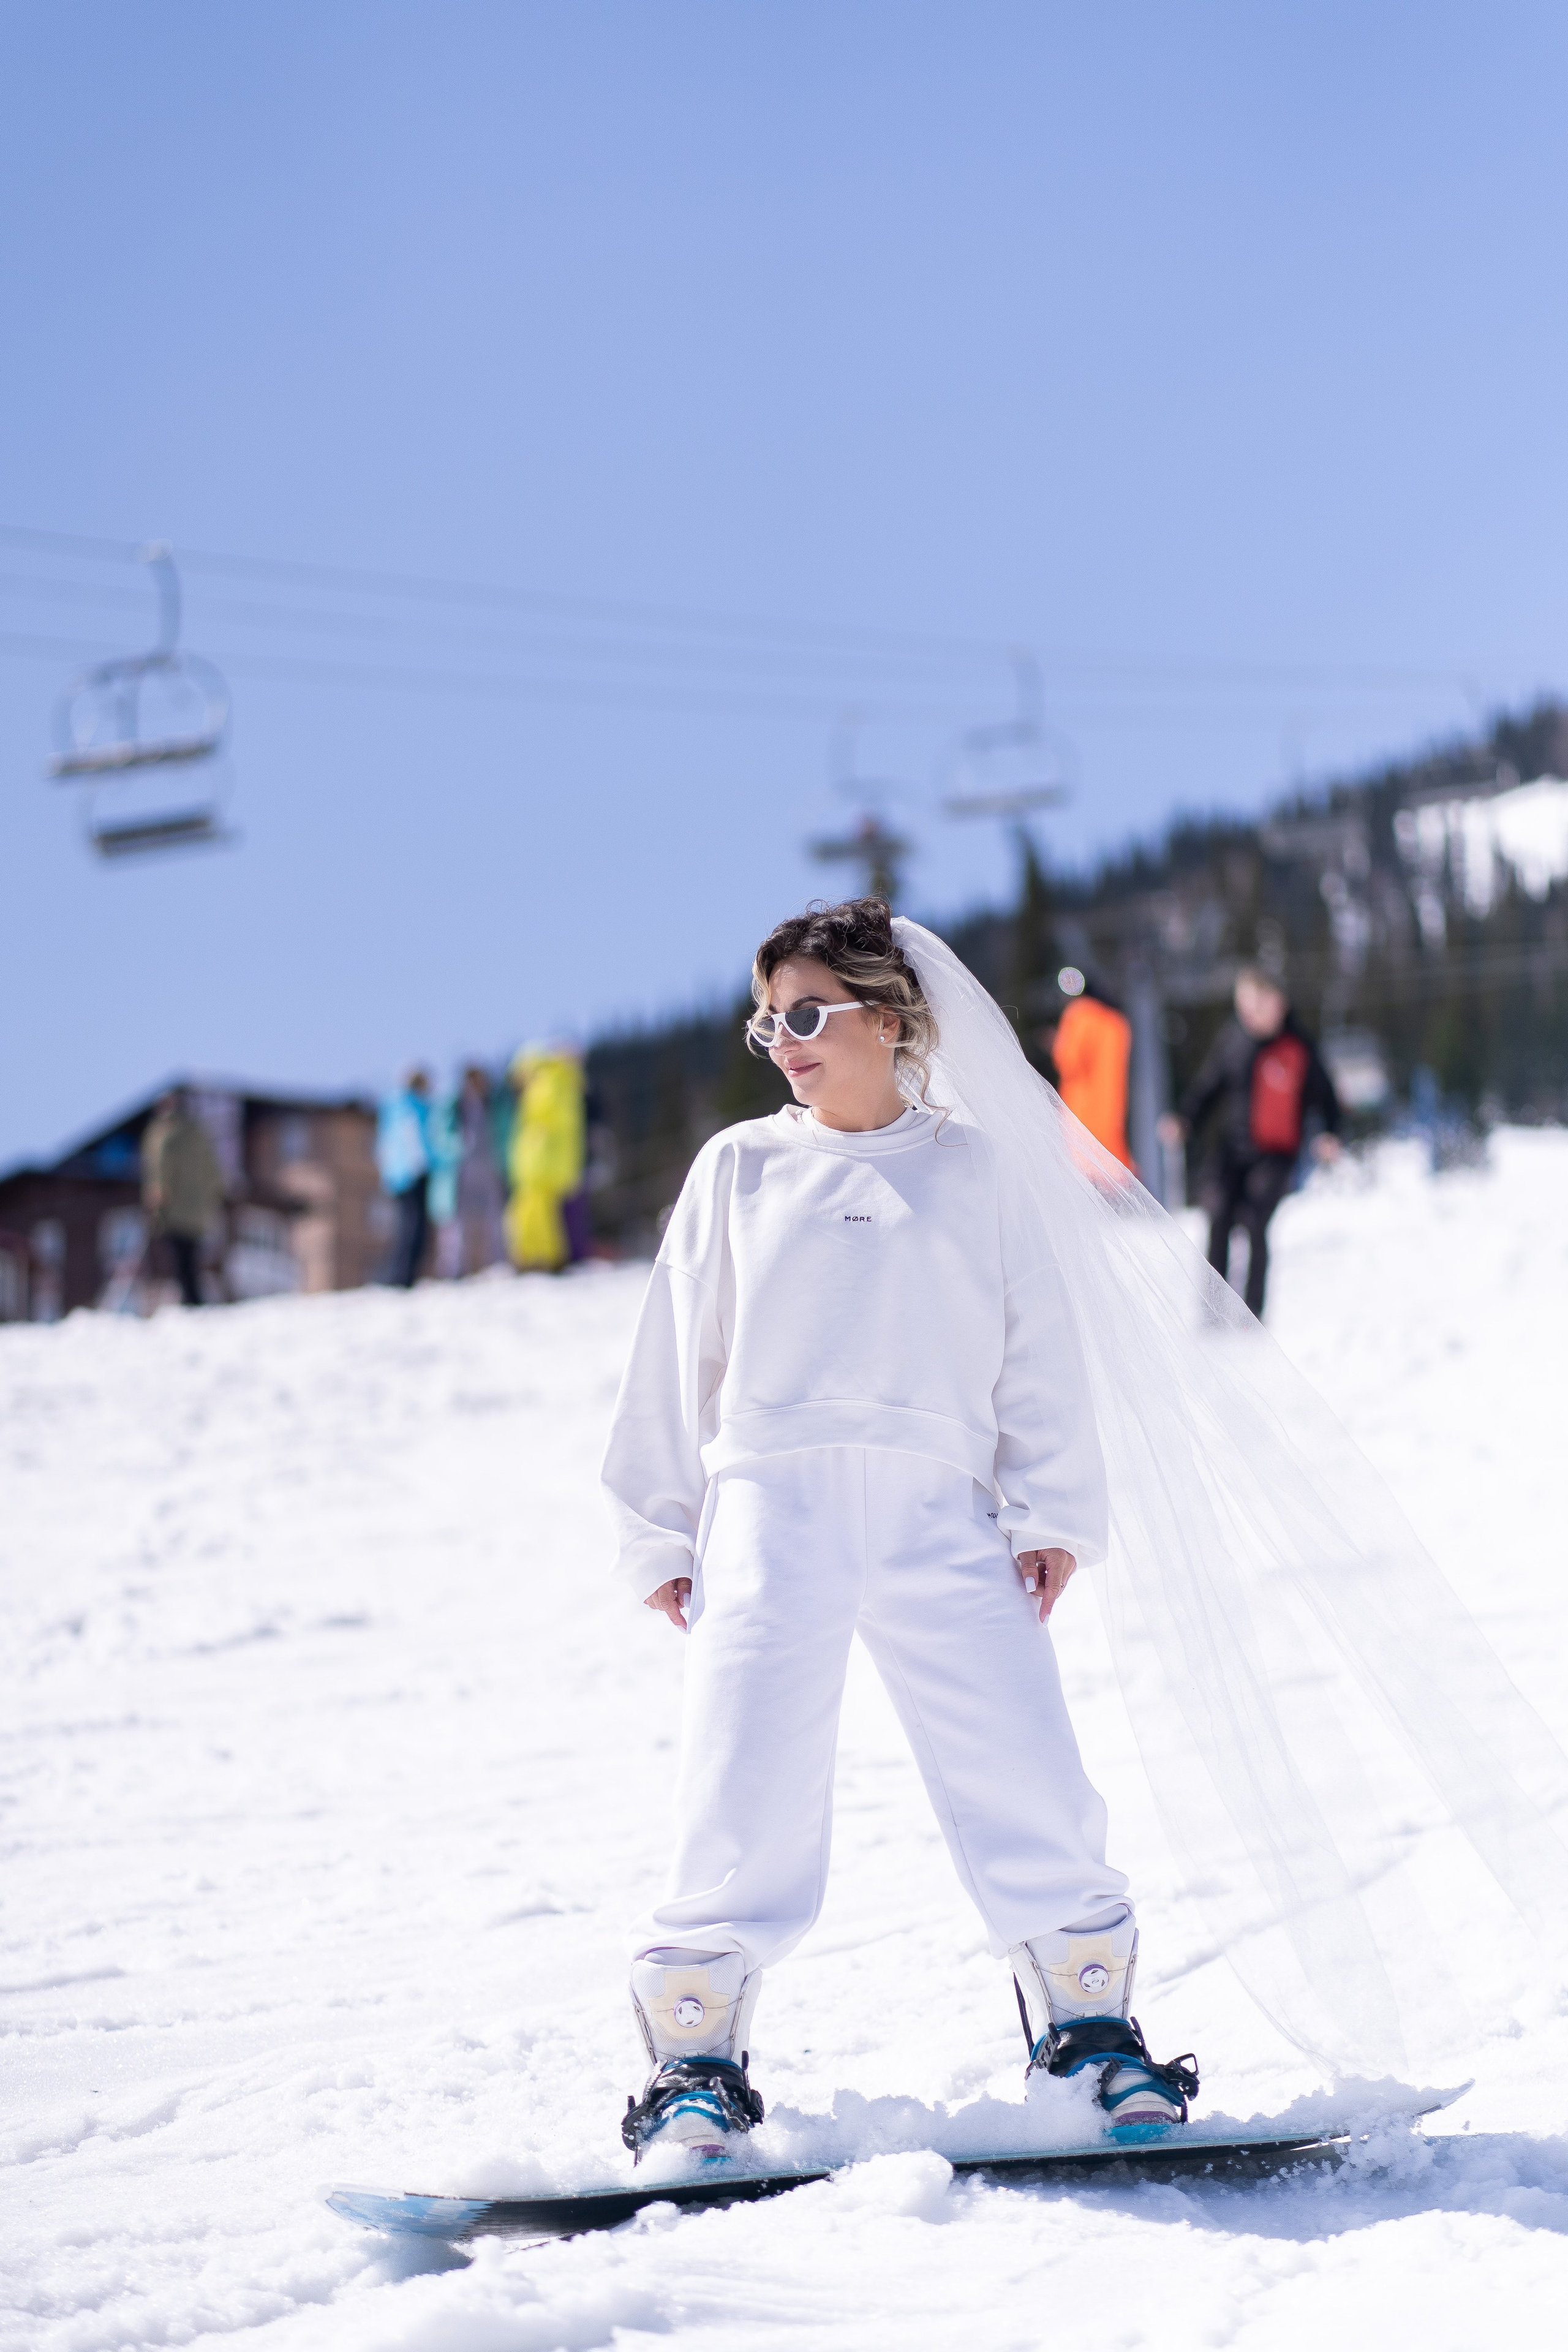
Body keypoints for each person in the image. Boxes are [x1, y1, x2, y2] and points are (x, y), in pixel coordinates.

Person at [601, 899, 1196, 2158]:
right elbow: (669, 1352)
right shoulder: (738, 1170)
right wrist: (659, 1525)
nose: (784, 1041)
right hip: (770, 1502)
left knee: (1020, 1755)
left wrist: (1047, 1510)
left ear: (888, 1014)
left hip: (941, 1505)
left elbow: (1037, 1344)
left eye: (807, 1014)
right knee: (739, 1771)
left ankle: (1089, 2036)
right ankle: (695, 2062)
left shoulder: (976, 1171)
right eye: (766, 1022)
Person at [1158, 966, 1340, 1317]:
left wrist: (1330, 1133)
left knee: (1256, 1219)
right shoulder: (1234, 1040)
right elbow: (1209, 1086)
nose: (1250, 1014)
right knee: (1220, 1216)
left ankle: (1251, 1316)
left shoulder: (1299, 1047)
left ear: (1279, 1003)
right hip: (1233, 1149)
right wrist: (1185, 1119)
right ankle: (1213, 1310)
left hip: (1277, 1153)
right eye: (1244, 1005)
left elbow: (1326, 1097)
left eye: (1258, 1005)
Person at [1038, 967, 1134, 1169]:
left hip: (1082, 1110)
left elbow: (1069, 1060)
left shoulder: (1079, 1015)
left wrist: (1055, 1043)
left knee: (1085, 1166)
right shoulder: (1117, 1022)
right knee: (1113, 1166)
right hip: (1111, 1107)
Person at [140, 1088, 225, 1308]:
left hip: (174, 1208)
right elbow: (213, 1171)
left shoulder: (164, 1133)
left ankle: (190, 1302)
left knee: (179, 1258)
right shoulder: (197, 1131)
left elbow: (160, 1168)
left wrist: (157, 1193)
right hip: (197, 1210)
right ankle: (193, 1299)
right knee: (190, 1257)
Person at [506, 1045, 586, 1273]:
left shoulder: (547, 1082)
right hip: (547, 1162)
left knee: (536, 1214)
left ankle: (541, 1259)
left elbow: (541, 1120)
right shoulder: (560, 1081)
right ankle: (541, 1258)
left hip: (541, 1163)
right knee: (540, 1214)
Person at [376, 1069, 433, 1289]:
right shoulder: (412, 1106)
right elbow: (414, 1138)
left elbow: (383, 1144)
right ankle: (405, 1276)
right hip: (413, 1173)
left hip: (396, 1175)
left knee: (405, 1226)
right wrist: (421, 1166)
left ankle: (402, 1275)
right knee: (414, 1227)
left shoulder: (392, 1106)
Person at [451, 1065, 508, 1276]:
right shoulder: (457, 1104)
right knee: (460, 1219)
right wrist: (456, 1149)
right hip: (463, 1166)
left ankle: (497, 1262)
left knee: (495, 1216)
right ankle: (457, 1266)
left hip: (490, 1163)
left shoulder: (492, 1103)